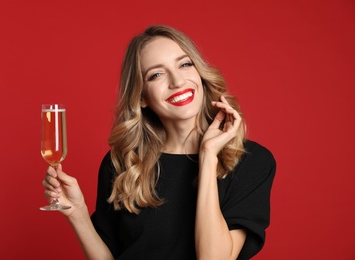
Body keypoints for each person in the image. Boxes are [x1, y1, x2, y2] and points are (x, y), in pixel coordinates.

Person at [43, 24, 276, 260]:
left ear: (199, 73)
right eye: (156, 74)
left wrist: (207, 156)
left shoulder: (251, 161)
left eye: (185, 64)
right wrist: (78, 213)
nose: (177, 81)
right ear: (142, 96)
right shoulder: (124, 163)